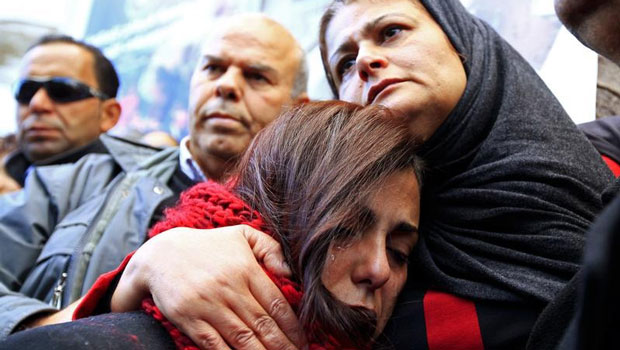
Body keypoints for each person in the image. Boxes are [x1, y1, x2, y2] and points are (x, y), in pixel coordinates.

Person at [101, 1, 613, 349]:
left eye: (391, 31)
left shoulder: (608, 167)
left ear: (464, 44)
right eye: (343, 63)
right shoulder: (291, 226)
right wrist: (155, 262)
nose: (366, 60)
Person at [0, 100, 423, 350]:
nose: (380, 269)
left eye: (400, 253)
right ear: (282, 212)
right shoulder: (82, 181)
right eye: (345, 228)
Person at [0, 13, 308, 339]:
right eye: (213, 68)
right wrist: (51, 329)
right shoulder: (74, 184)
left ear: (299, 108)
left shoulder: (312, 219)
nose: (226, 85)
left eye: (257, 76)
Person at [5, 34, 122, 187]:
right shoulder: (6, 187)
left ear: (108, 115)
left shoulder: (144, 200)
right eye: (26, 90)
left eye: (62, 90)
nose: (37, 103)